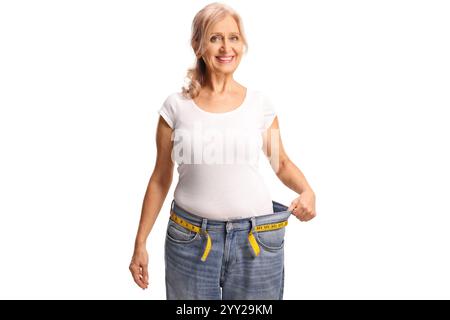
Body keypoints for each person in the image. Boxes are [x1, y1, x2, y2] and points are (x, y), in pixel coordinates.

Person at [129, 2, 316, 300]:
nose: (225, 47)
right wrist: (140, 242)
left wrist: (307, 191)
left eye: (233, 37)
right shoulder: (175, 107)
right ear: (198, 45)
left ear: (242, 44)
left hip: (256, 243)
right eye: (215, 38)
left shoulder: (260, 104)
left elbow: (281, 163)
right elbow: (160, 178)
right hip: (189, 242)